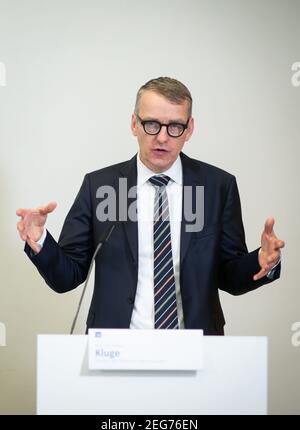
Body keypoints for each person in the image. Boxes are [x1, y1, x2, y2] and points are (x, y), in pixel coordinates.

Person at [16, 77, 285, 335]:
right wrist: (40, 240)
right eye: (152, 125)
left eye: (175, 127)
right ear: (134, 124)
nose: (162, 138)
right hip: (114, 348)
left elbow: (229, 275)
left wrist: (260, 261)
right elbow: (68, 276)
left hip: (195, 348)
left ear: (189, 129)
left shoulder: (218, 187)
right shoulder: (100, 187)